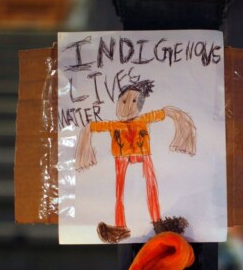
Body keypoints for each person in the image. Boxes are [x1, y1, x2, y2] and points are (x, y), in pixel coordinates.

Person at [75, 79, 196, 243]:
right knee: (120, 192)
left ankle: (157, 222)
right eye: (124, 101)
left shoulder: (142, 120)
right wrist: (86, 134)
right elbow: (93, 127)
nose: (127, 107)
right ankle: (120, 226)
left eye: (133, 102)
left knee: (151, 187)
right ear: (118, 103)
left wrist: (174, 115)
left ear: (139, 105)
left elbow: (162, 113)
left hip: (143, 155)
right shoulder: (114, 125)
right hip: (122, 158)